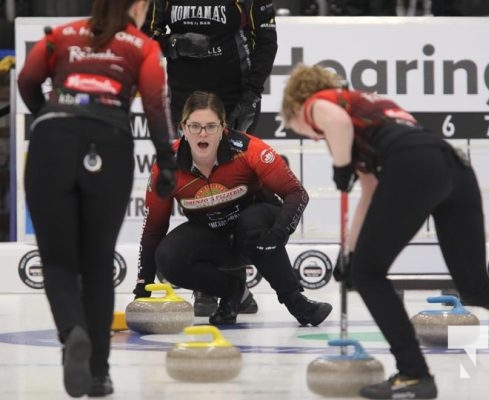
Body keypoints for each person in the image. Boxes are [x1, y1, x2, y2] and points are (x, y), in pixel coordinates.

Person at [281, 63, 489, 400]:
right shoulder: (370, 112)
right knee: (476, 286)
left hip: (413, 165)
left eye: (301, 130)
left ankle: (413, 373)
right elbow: (370, 191)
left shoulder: (316, 103)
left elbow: (335, 123)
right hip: (452, 168)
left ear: (295, 109)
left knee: (369, 275)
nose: (313, 135)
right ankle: (413, 373)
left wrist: (340, 165)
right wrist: (349, 251)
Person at [17, 0, 176, 397]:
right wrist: (167, 165)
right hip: (110, 141)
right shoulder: (142, 46)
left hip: (52, 137)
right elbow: (157, 105)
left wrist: (45, 117)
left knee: (57, 259)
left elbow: (26, 80)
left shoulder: (61, 36)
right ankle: (100, 373)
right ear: (138, 6)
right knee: (98, 259)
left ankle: (72, 333)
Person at [136, 90, 333, 326]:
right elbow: (152, 232)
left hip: (257, 232)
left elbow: (296, 193)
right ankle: (232, 292)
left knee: (251, 222)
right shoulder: (166, 167)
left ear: (223, 127)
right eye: (195, 126)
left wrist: (279, 232)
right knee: (167, 257)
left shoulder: (250, 150)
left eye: (210, 126)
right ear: (183, 128)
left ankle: (295, 301)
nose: (202, 133)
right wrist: (141, 291)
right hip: (213, 237)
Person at [137, 0, 278, 316]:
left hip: (233, 97)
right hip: (184, 99)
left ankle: (232, 284)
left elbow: (266, 41)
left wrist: (253, 93)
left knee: (235, 185)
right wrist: (172, 43)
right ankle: (211, 285)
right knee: (198, 185)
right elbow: (145, 32)